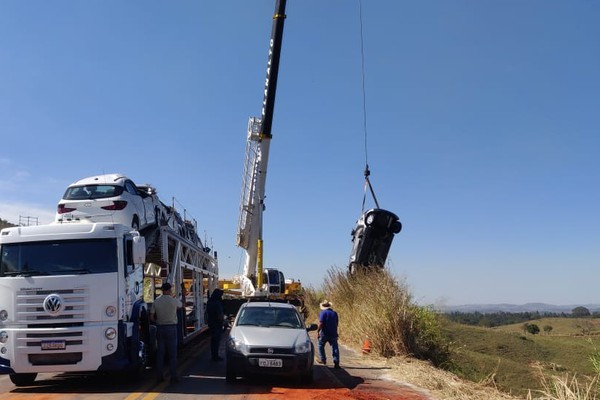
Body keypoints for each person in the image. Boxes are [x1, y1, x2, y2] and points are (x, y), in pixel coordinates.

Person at [150, 282, 183, 384]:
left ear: (162, 290)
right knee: (172, 354)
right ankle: (174, 376)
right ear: (169, 290)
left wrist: (157, 322)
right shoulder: (174, 301)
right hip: (171, 328)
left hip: (160, 328)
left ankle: (159, 376)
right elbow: (181, 306)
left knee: (160, 353)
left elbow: (151, 316)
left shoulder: (156, 301)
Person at [317, 299, 340, 369]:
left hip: (324, 333)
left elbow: (321, 323)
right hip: (333, 333)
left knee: (320, 345)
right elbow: (337, 323)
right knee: (335, 347)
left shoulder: (323, 313)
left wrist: (318, 331)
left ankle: (323, 359)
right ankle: (336, 362)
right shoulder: (334, 313)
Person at [206, 288, 225, 361]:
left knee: (213, 340)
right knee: (217, 340)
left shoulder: (209, 301)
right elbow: (220, 315)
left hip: (211, 323)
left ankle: (213, 355)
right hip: (217, 324)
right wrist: (223, 322)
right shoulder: (217, 303)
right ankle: (215, 356)